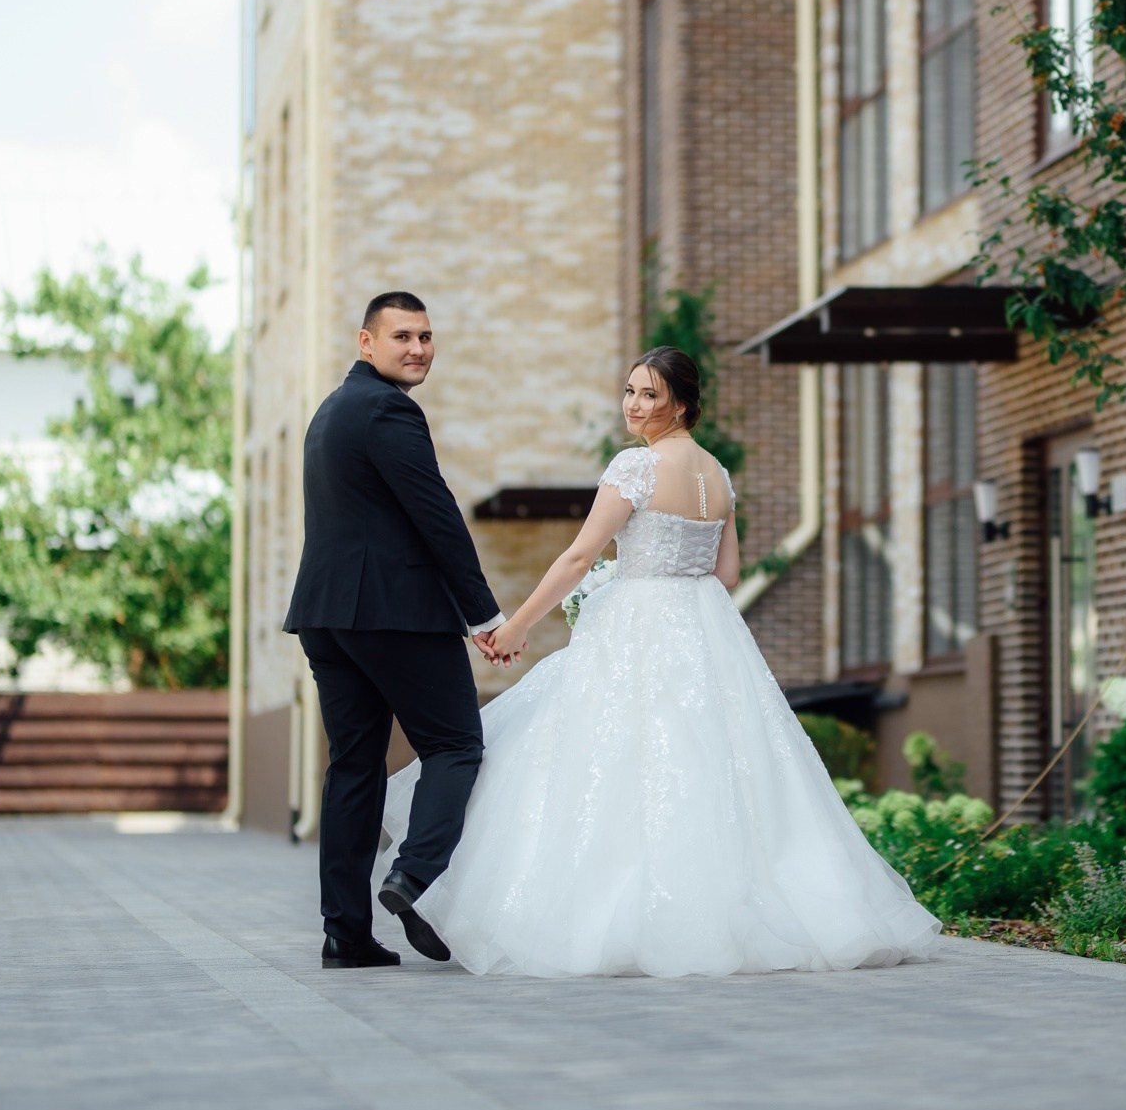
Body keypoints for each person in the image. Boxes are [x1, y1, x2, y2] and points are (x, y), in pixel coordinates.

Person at [378, 346, 941, 977]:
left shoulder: (636, 467)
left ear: (680, 401)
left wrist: (517, 626)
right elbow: (726, 573)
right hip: (705, 627)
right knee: (716, 759)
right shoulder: (719, 476)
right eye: (629, 391)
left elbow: (577, 557)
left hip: (638, 622)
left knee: (597, 753)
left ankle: (563, 910)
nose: (634, 405)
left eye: (649, 394)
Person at [286, 291, 509, 969]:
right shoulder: (388, 409)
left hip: (329, 615)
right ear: (366, 342)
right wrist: (484, 614)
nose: (418, 348)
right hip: (393, 613)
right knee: (455, 744)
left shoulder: (331, 411)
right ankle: (412, 875)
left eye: (426, 336)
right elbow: (435, 514)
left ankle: (344, 934)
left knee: (354, 768)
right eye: (402, 336)